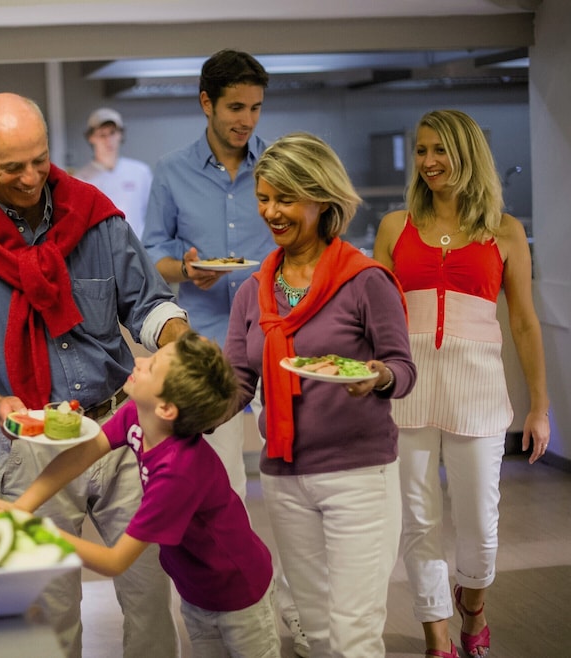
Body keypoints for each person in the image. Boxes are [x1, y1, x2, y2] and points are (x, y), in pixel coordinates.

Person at [0, 92, 190, 658]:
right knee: (48, 611)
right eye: (10, 167)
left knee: (149, 592)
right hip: (30, 444)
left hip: (119, 431)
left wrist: (180, 342)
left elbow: (147, 304)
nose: (30, 178)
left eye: (39, 160)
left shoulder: (93, 214)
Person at [223, 132, 416, 657]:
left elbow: (402, 367)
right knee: (314, 628)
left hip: (358, 475)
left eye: (285, 199)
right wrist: (178, 402)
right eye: (264, 198)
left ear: (322, 199)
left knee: (354, 632)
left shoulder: (364, 280)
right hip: (285, 476)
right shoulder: (253, 290)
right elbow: (238, 382)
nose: (271, 211)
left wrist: (376, 376)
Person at [143, 48, 308, 656]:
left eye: (256, 107)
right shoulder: (171, 172)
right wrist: (185, 270)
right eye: (236, 107)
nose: (247, 120)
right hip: (209, 351)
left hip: (284, 341)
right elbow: (151, 257)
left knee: (296, 488)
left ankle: (296, 616)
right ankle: (230, 620)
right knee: (223, 493)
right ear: (207, 103)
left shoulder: (282, 166)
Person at [372, 109, 550, 658]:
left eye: (440, 150)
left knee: (480, 525)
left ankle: (472, 608)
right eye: (421, 150)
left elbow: (522, 321)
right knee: (419, 525)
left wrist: (540, 408)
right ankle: (437, 638)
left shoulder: (505, 231)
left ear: (467, 154)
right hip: (409, 392)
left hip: (479, 396)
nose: (428, 162)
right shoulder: (395, 228)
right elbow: (375, 315)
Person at [0, 330, 282, 658]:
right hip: (197, 591)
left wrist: (34, 529)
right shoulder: (137, 417)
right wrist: (22, 506)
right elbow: (82, 454)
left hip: (240, 594)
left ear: (167, 409)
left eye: (152, 367)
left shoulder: (177, 474)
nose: (139, 362)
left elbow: (115, 561)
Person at [75, 107, 153, 239]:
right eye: (102, 135)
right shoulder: (80, 181)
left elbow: (153, 216)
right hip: (102, 253)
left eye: (112, 133)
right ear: (91, 138)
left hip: (139, 251)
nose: (108, 140)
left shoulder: (140, 172)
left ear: (121, 134)